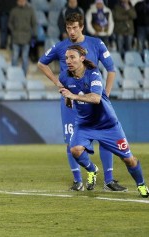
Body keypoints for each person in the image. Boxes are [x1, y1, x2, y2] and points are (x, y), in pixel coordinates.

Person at [38, 12, 127, 192]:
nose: (72, 31)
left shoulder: (96, 43)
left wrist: (106, 94)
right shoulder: (61, 47)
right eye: (69, 28)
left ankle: (108, 181)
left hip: (94, 102)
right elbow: (41, 63)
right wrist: (58, 83)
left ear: (82, 27)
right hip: (72, 103)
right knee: (72, 142)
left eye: (75, 28)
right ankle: (78, 180)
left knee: (105, 139)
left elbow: (111, 70)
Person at [58, 44, 149, 198]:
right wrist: (68, 98)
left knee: (129, 160)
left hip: (107, 125)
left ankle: (141, 185)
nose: (68, 61)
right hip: (85, 124)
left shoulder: (93, 74)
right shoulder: (64, 76)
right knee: (75, 150)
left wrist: (74, 96)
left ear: (82, 58)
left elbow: (96, 98)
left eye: (72, 57)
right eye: (66, 58)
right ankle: (92, 169)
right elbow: (67, 95)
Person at [8, 0, 37, 76]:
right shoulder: (14, 11)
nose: (21, 2)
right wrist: (13, 31)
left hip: (26, 37)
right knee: (15, 57)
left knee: (25, 57)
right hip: (16, 37)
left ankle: (23, 75)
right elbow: (10, 23)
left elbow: (34, 23)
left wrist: (34, 35)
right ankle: (13, 75)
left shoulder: (30, 10)